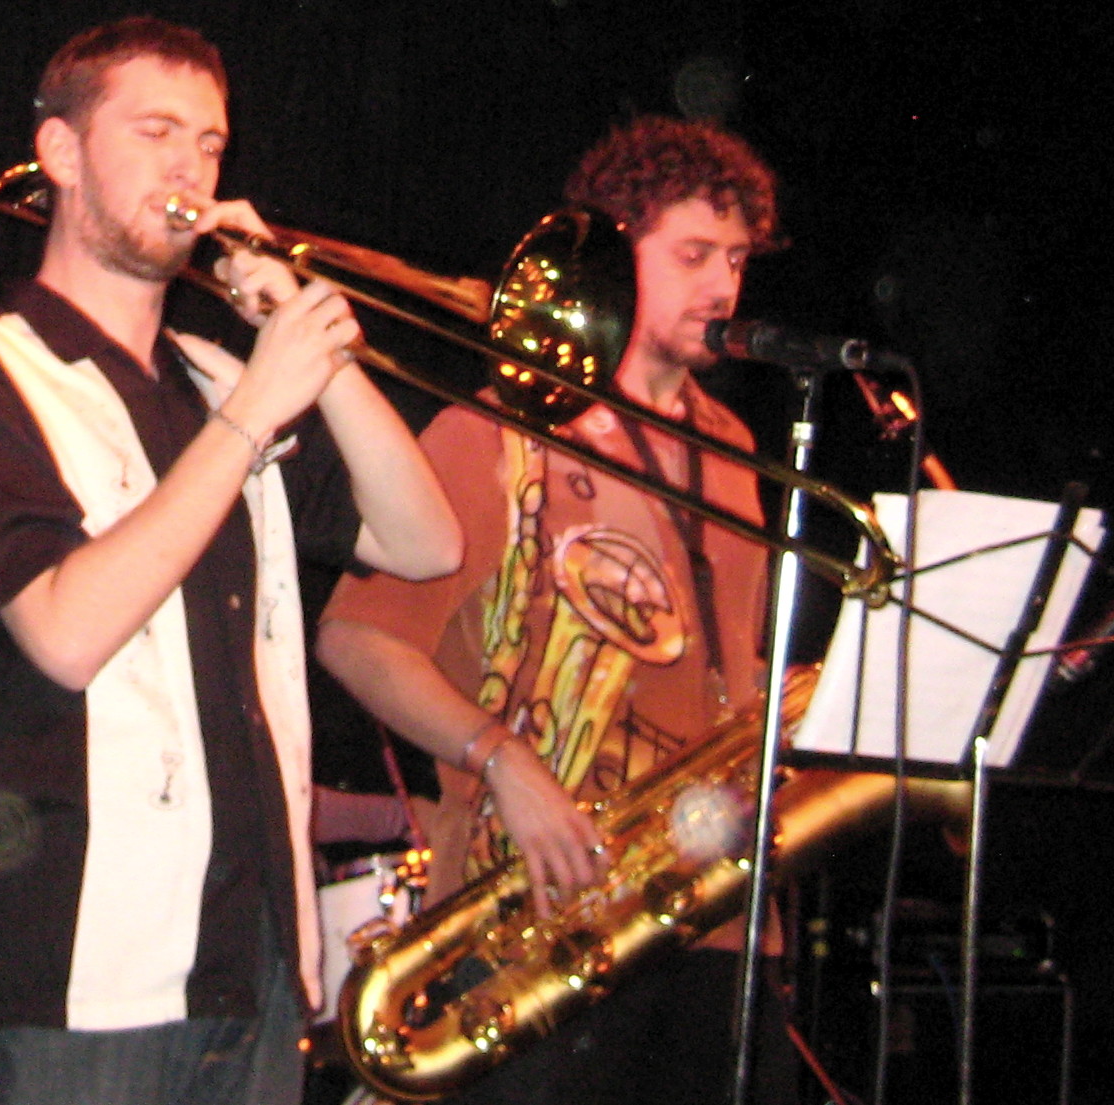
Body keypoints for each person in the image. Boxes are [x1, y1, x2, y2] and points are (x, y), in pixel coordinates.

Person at [0, 16, 461, 1105]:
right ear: (62, 154)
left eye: (208, 144)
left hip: (251, 965)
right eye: (156, 132)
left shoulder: (212, 377)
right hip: (77, 974)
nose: (191, 172)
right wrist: (257, 408)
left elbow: (424, 540)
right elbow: (65, 633)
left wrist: (307, 338)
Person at [316, 115, 796, 1104]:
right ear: (613, 261)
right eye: (694, 255)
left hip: (713, 919)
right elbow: (358, 636)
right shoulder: (492, 430)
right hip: (534, 921)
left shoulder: (740, 455)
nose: (723, 287)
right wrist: (503, 757)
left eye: (737, 259)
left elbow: (733, 676)